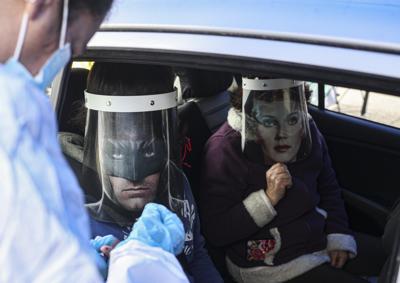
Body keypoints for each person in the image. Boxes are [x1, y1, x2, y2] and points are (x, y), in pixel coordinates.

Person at [0, 0, 189, 281]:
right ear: (42, 6)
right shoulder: (14, 117)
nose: (65, 58)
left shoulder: (20, 105)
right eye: (70, 44)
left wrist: (90, 256)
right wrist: (136, 261)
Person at [199, 77, 385, 283]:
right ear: (249, 120)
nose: (283, 133)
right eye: (269, 122)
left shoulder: (308, 130)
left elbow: (328, 187)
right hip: (266, 264)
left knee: (390, 258)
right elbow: (216, 230)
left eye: (292, 119)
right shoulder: (224, 150)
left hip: (315, 239)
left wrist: (338, 234)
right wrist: (267, 200)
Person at [81, 62, 223, 283]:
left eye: (149, 151)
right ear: (98, 145)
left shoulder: (177, 186)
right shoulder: (79, 220)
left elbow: (196, 256)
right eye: (117, 153)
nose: (134, 175)